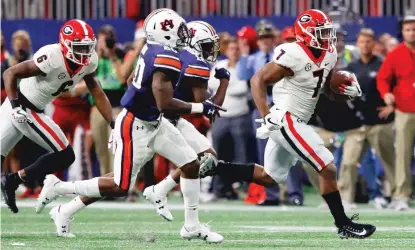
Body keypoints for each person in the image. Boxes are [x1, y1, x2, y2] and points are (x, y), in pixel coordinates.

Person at [36, 10, 225, 243]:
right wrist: (200, 108)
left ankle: (191, 226)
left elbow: (129, 82)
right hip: (136, 125)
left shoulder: (151, 49)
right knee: (119, 185)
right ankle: (59, 188)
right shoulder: (167, 57)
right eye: (179, 32)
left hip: (154, 121)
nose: (184, 36)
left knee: (191, 164)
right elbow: (165, 103)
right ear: (165, 35)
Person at [201, 9, 376, 239]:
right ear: (306, 34)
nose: (326, 38)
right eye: (321, 33)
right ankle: (343, 224)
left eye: (326, 32)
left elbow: (324, 90)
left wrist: (344, 93)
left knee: (269, 177)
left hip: (298, 119)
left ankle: (216, 167)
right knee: (327, 166)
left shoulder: (329, 53)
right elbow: (258, 80)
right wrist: (266, 115)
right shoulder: (293, 53)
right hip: (285, 117)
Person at [0, 19, 114, 213]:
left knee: (65, 155)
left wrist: (113, 123)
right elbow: (10, 73)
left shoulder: (89, 62)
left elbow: (97, 92)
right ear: (66, 44)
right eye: (80, 47)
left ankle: (12, 180)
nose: (85, 53)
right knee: (65, 154)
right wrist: (16, 105)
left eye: (88, 47)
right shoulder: (52, 57)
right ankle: (12, 181)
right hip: (23, 107)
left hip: (32, 108)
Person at [338, 28, 394, 210]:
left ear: (374, 44)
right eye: (361, 42)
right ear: (358, 44)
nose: (364, 45)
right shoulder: (351, 67)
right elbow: (341, 93)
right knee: (348, 161)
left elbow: (395, 86)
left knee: (388, 161)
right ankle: (346, 198)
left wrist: (392, 106)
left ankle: (395, 196)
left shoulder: (383, 64)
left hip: (379, 121)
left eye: (368, 42)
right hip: (357, 123)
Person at [208, 38, 255, 200]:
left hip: (241, 117)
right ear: (226, 51)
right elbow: (210, 84)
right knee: (219, 153)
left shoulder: (246, 66)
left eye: (237, 49)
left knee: (243, 155)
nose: (234, 51)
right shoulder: (219, 65)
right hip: (221, 117)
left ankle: (244, 189)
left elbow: (243, 89)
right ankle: (220, 189)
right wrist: (231, 86)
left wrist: (224, 86)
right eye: (231, 48)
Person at [377, 15, 415, 210]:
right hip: (404, 112)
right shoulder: (395, 54)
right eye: (408, 30)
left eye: (414, 29)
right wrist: (386, 94)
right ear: (402, 32)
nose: (411, 33)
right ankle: (401, 195)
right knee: (402, 154)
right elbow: (382, 78)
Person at [91, 25, 126, 176]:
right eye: (101, 40)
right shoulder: (94, 57)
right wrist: (98, 53)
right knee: (101, 147)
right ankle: (104, 182)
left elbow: (122, 78)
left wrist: (112, 56)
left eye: (107, 40)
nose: (104, 43)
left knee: (116, 146)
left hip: (116, 105)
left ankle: (117, 181)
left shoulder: (120, 55)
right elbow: (89, 75)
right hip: (97, 107)